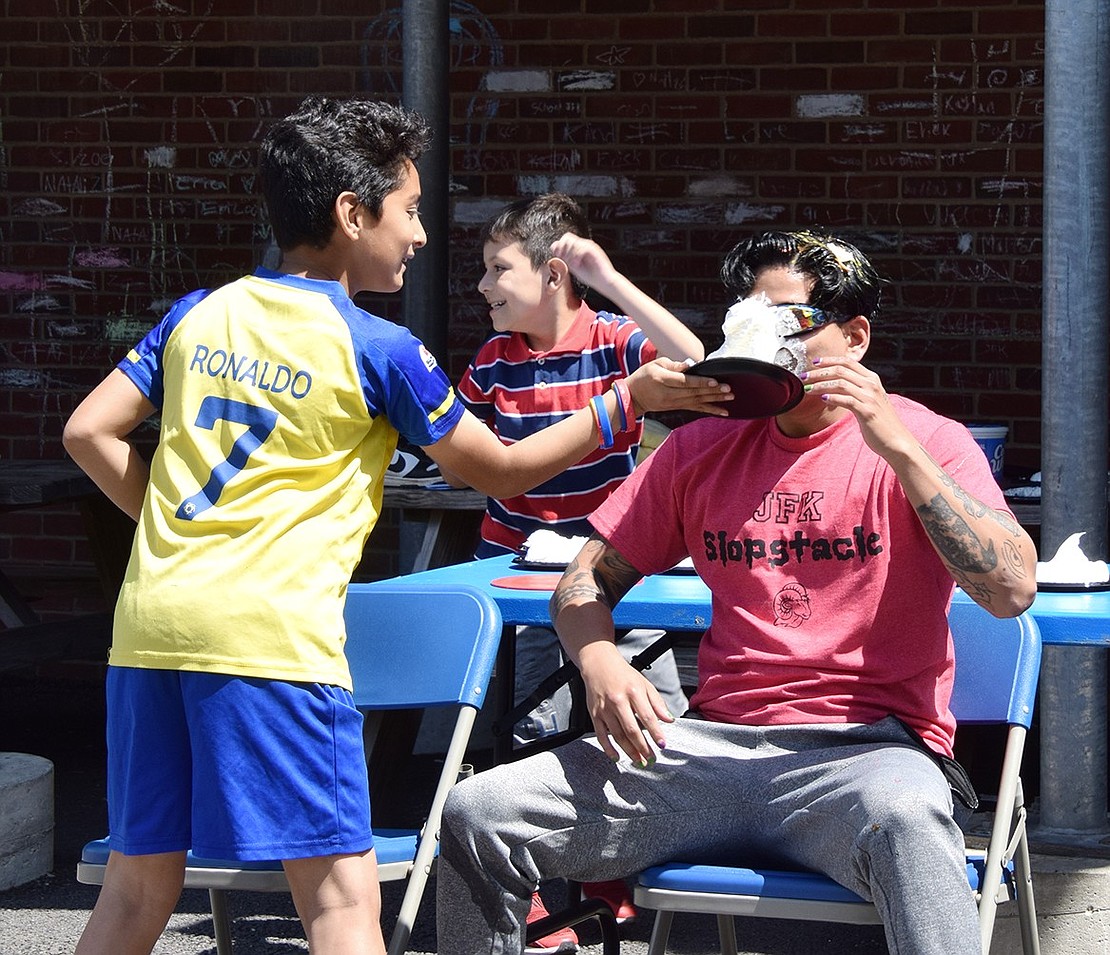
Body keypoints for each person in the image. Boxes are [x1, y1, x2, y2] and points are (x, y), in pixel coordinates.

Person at [62, 96, 732, 955]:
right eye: (410, 210)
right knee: (342, 903)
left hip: (148, 629)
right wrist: (622, 404)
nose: (420, 235)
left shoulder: (196, 311)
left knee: (133, 890)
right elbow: (500, 469)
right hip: (273, 644)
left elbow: (88, 431)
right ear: (352, 213)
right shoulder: (382, 347)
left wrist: (183, 531)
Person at [435, 229, 1038, 955]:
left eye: (788, 322)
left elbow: (1010, 590)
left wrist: (896, 447)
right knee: (479, 809)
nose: (764, 338)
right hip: (705, 750)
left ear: (854, 336)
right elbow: (583, 580)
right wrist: (598, 660)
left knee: (909, 819)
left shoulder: (926, 440)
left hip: (864, 756)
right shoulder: (702, 447)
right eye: (748, 316)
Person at [450, 194, 698, 948]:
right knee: (535, 725)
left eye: (499, 268)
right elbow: (473, 459)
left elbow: (694, 361)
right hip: (522, 574)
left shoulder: (615, 341)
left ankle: (614, 870)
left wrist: (611, 278)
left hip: (617, 572)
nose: (484, 285)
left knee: (652, 718)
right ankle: (531, 896)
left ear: (555, 274)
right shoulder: (494, 362)